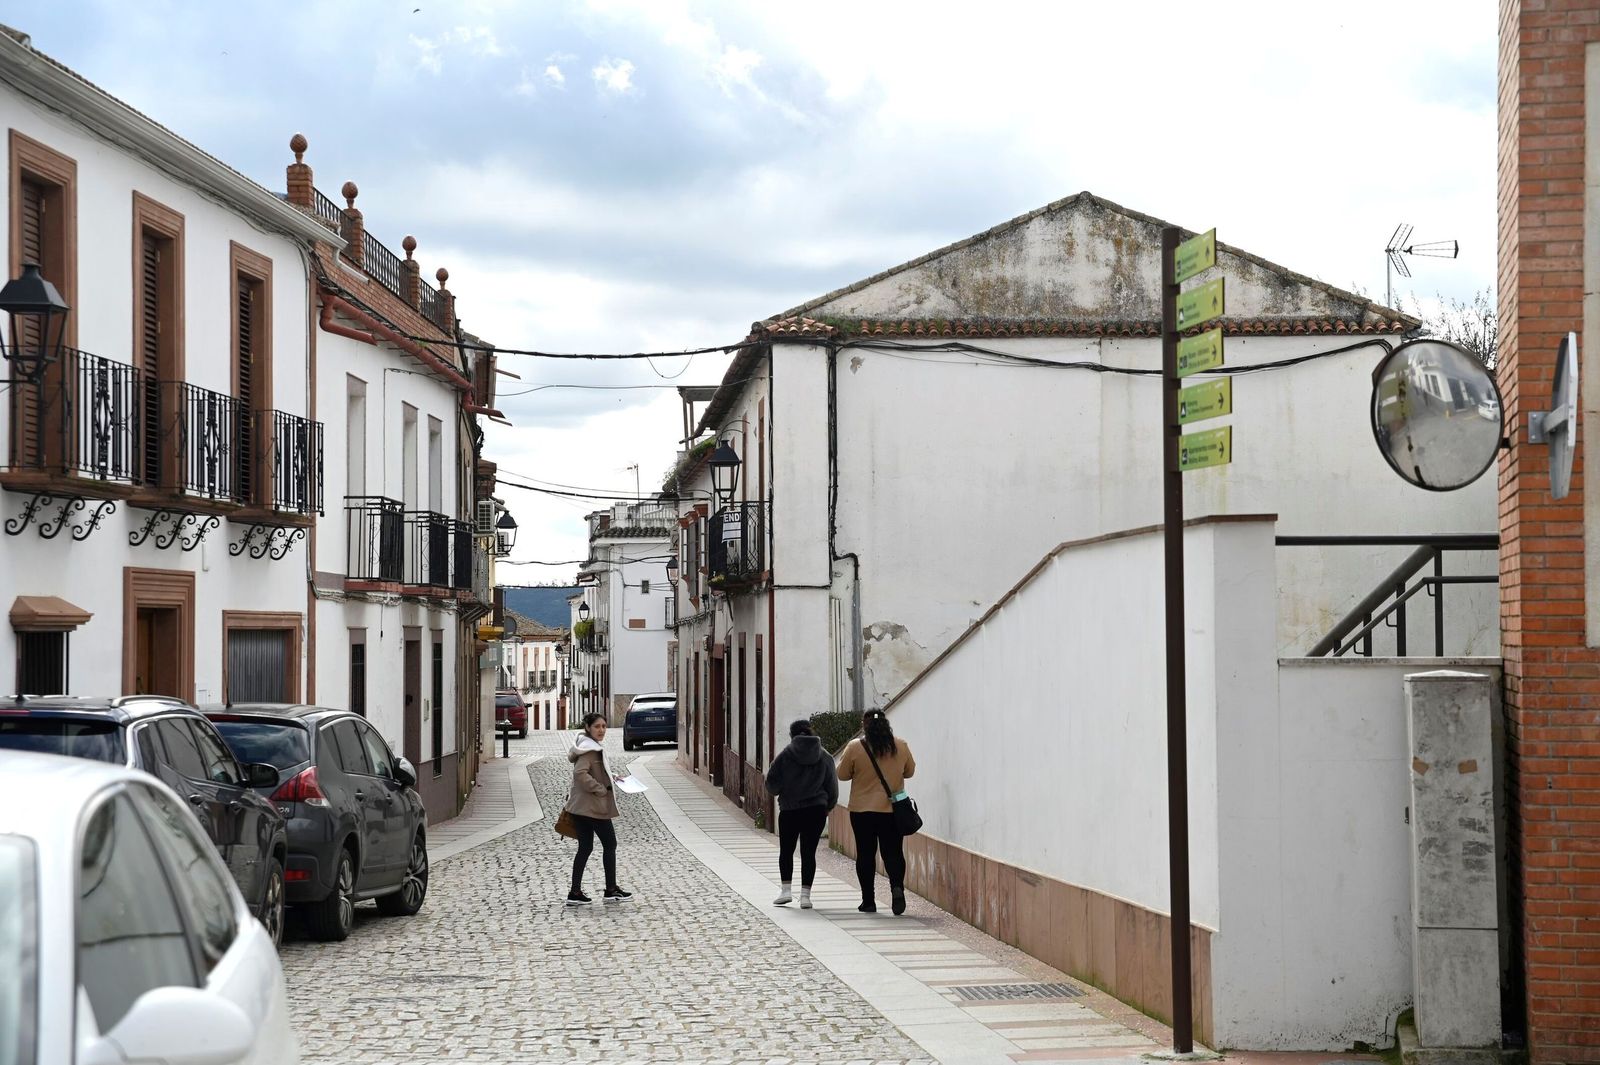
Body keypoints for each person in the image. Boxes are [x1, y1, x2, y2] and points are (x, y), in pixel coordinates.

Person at [836, 709, 916, 915]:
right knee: (893, 853)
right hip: (891, 811)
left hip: (862, 811)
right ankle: (896, 888)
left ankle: (868, 901)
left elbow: (842, 774)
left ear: (864, 724)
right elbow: (910, 771)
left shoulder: (855, 746)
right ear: (886, 723)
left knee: (865, 854)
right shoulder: (901, 745)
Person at [764, 718, 839, 909]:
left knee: (786, 851)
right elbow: (832, 786)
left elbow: (771, 784)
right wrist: (827, 806)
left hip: (789, 809)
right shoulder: (825, 756)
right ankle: (805, 896)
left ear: (792, 735)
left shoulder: (784, 756)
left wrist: (782, 791)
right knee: (809, 853)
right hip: (816, 810)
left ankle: (786, 891)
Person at [565, 713, 632, 905]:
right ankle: (610, 889)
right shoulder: (589, 750)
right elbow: (580, 773)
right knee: (610, 844)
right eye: (597, 726)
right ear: (588, 727)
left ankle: (575, 892)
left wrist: (612, 776)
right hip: (592, 807)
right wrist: (600, 788)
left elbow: (595, 770)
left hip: (580, 808)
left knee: (585, 847)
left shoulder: (587, 746)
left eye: (604, 726)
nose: (601, 730)